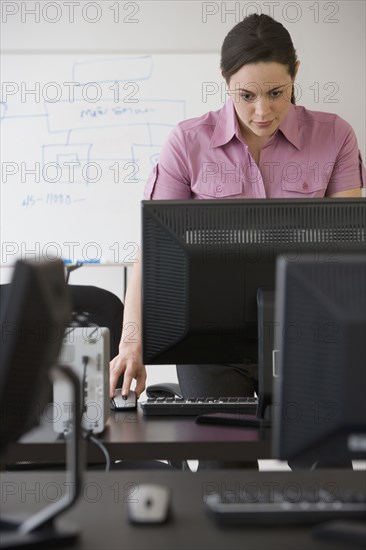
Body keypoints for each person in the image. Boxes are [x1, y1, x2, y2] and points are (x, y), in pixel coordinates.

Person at [110, 13, 365, 403]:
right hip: (208, 345)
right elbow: (153, 252)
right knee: (221, 463)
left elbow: (347, 252)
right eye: (246, 96)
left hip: (307, 337)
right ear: (225, 80)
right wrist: (131, 342)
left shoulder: (335, 136)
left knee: (325, 459)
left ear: (295, 72)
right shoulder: (187, 142)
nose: (262, 111)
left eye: (276, 93)